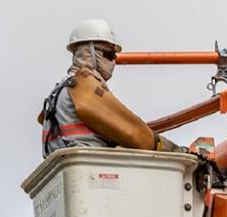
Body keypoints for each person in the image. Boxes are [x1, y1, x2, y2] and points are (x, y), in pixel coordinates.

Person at [40, 18, 187, 157]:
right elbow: (130, 131)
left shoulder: (61, 89)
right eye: (110, 55)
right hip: (92, 165)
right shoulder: (84, 86)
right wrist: (171, 149)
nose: (113, 62)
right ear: (89, 51)